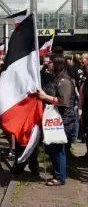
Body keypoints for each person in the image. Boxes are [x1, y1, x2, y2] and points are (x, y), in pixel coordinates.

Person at [38, 54, 75, 186]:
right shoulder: (54, 79)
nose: (48, 64)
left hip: (63, 121)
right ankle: (56, 174)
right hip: (54, 119)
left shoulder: (64, 81)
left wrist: (45, 96)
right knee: (51, 149)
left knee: (58, 149)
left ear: (58, 65)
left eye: (51, 62)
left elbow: (63, 101)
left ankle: (60, 177)